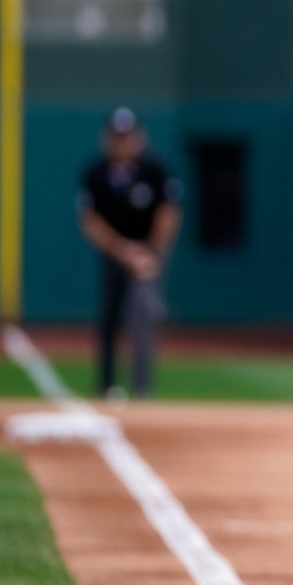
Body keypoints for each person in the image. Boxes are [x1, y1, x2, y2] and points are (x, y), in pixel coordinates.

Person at [76, 108, 183, 399]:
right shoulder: (95, 172)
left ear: (138, 137)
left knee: (144, 316)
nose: (122, 143)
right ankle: (107, 385)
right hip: (115, 253)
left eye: (127, 137)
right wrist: (123, 250)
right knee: (110, 316)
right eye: (117, 137)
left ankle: (142, 387)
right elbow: (90, 221)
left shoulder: (154, 168)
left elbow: (168, 213)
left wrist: (152, 253)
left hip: (149, 255)